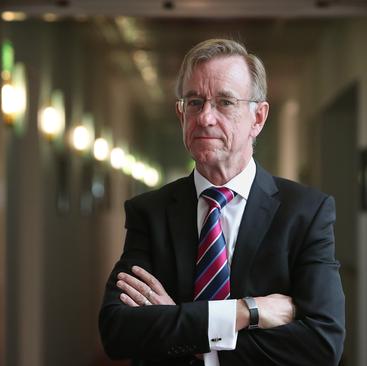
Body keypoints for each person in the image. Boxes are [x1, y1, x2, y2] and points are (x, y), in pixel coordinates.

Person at [99, 38, 345, 366]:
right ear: (180, 113)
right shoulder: (150, 212)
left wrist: (184, 327)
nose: (205, 118)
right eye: (195, 102)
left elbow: (323, 344)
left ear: (258, 117)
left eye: (225, 102)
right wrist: (245, 312)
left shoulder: (305, 212)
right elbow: (118, 331)